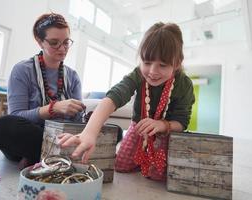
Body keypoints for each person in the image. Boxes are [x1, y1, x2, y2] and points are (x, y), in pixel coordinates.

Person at [59, 22, 195, 181]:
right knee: (121, 166)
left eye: (162, 65)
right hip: (138, 128)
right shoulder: (138, 75)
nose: (152, 72)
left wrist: (162, 125)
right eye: (147, 63)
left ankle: (145, 160)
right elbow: (113, 98)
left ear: (177, 64)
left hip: (166, 133)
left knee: (158, 175)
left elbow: (182, 121)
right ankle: (141, 158)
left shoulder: (184, 84)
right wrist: (89, 133)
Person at [0, 13, 85, 168]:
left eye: (66, 42)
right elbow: (16, 115)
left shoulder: (73, 76)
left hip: (62, 135)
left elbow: (76, 122)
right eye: (54, 43)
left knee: (111, 131)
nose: (63, 49)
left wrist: (81, 115)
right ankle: (54, 156)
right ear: (40, 42)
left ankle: (39, 156)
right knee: (2, 127)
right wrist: (52, 109)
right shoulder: (22, 70)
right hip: (32, 134)